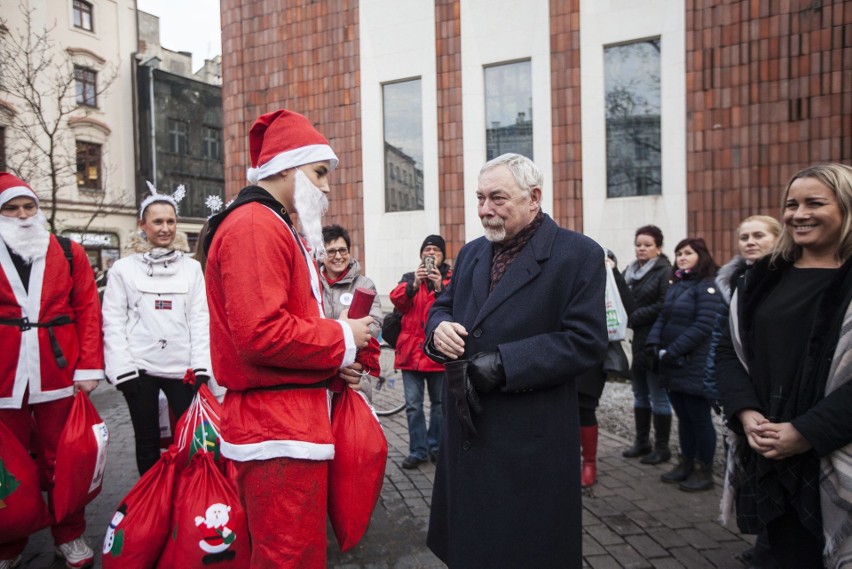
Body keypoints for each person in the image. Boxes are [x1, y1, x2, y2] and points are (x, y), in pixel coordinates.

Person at [202, 109, 373, 568]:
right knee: (289, 557)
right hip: (278, 427)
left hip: (284, 420)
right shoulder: (256, 225)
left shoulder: (268, 222)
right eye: (319, 172)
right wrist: (343, 336)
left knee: (288, 551)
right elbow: (261, 333)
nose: (326, 187)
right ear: (286, 166)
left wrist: (335, 358)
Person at [424, 153, 608, 567]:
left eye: (498, 198)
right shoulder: (473, 253)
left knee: (524, 549)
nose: (485, 209)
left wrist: (506, 363)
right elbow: (443, 306)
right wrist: (437, 329)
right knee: (471, 547)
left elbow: (585, 340)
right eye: (480, 198)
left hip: (530, 437)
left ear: (534, 198)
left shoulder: (578, 255)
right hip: (469, 432)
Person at [717, 164, 852, 569]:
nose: (799, 214)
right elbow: (729, 353)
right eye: (791, 204)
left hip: (833, 455)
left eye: (815, 203)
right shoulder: (762, 278)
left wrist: (807, 432)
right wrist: (746, 412)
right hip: (769, 457)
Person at [0, 172, 103, 569]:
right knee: (9, 466)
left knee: (65, 459)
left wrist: (89, 367)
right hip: (6, 373)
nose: (23, 215)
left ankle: (70, 533)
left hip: (58, 371)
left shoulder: (68, 251)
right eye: (12, 208)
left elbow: (88, 312)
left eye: (29, 207)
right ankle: (9, 541)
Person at [102, 183, 219, 475]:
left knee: (191, 439)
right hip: (139, 371)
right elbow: (113, 321)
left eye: (170, 221)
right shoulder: (123, 269)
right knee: (147, 442)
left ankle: (188, 499)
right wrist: (123, 371)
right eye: (157, 221)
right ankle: (153, 503)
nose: (165, 228)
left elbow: (200, 318)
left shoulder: (192, 269)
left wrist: (202, 367)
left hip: (183, 371)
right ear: (142, 224)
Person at [706, 215, 781, 569]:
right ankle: (764, 539)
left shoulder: (784, 278)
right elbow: (725, 343)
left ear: (778, 238)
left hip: (775, 391)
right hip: (739, 391)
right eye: (744, 237)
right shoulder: (734, 282)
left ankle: (772, 545)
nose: (750, 242)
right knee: (749, 470)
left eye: (759, 235)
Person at [646, 237, 721, 491]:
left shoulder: (708, 286)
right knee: (684, 418)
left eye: (688, 253)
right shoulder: (678, 285)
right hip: (673, 363)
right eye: (679, 253)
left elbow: (704, 326)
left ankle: (704, 470)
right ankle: (685, 463)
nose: (682, 257)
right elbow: (663, 317)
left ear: (701, 255)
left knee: (699, 419)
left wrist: (672, 351)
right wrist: (654, 343)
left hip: (693, 363)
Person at [390, 234, 451, 469]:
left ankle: (435, 446)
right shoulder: (409, 278)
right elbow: (399, 303)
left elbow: (455, 305)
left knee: (439, 405)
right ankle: (417, 450)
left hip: (438, 353)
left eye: (436, 250)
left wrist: (439, 287)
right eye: (427, 250)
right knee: (413, 406)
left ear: (443, 255)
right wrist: (414, 285)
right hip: (411, 355)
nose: (431, 253)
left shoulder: (450, 279)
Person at [576, 248, 635, 487]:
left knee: (585, 408)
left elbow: (630, 309)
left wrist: (614, 273)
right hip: (567, 351)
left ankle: (589, 462)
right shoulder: (575, 279)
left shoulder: (611, 282)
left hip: (593, 355)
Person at [622, 225, 674, 464]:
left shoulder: (665, 271)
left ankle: (662, 448)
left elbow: (665, 304)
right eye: (638, 244)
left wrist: (634, 317)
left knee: (658, 396)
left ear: (659, 248)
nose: (641, 249)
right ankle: (641, 442)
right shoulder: (629, 271)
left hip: (654, 340)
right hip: (634, 341)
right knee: (639, 394)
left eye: (647, 245)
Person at [320, 224, 383, 335]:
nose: (338, 256)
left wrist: (343, 333)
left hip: (353, 350)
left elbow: (375, 326)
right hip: (320, 350)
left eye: (342, 250)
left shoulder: (365, 285)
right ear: (321, 255)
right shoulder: (312, 283)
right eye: (331, 251)